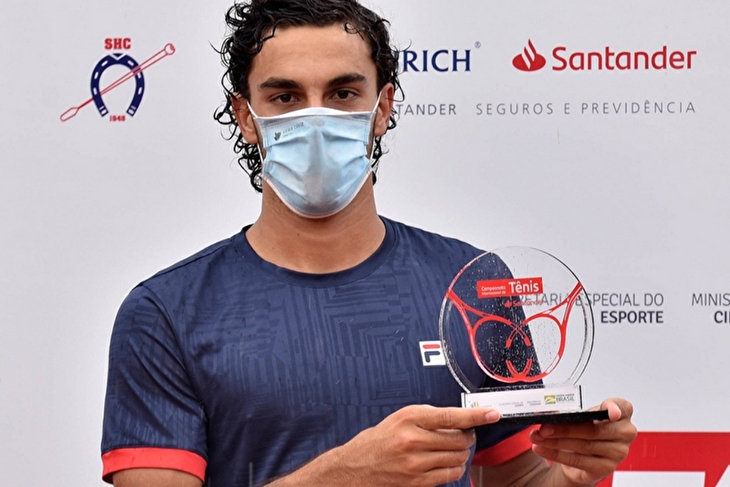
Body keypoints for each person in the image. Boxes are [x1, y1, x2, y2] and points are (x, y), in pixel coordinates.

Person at [101, 1, 637, 486]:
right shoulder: (165, 312)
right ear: (246, 117)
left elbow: (517, 480)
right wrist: (343, 476)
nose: (316, 118)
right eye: (285, 97)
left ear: (382, 108)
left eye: (342, 94)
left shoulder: (473, 283)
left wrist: (571, 476)